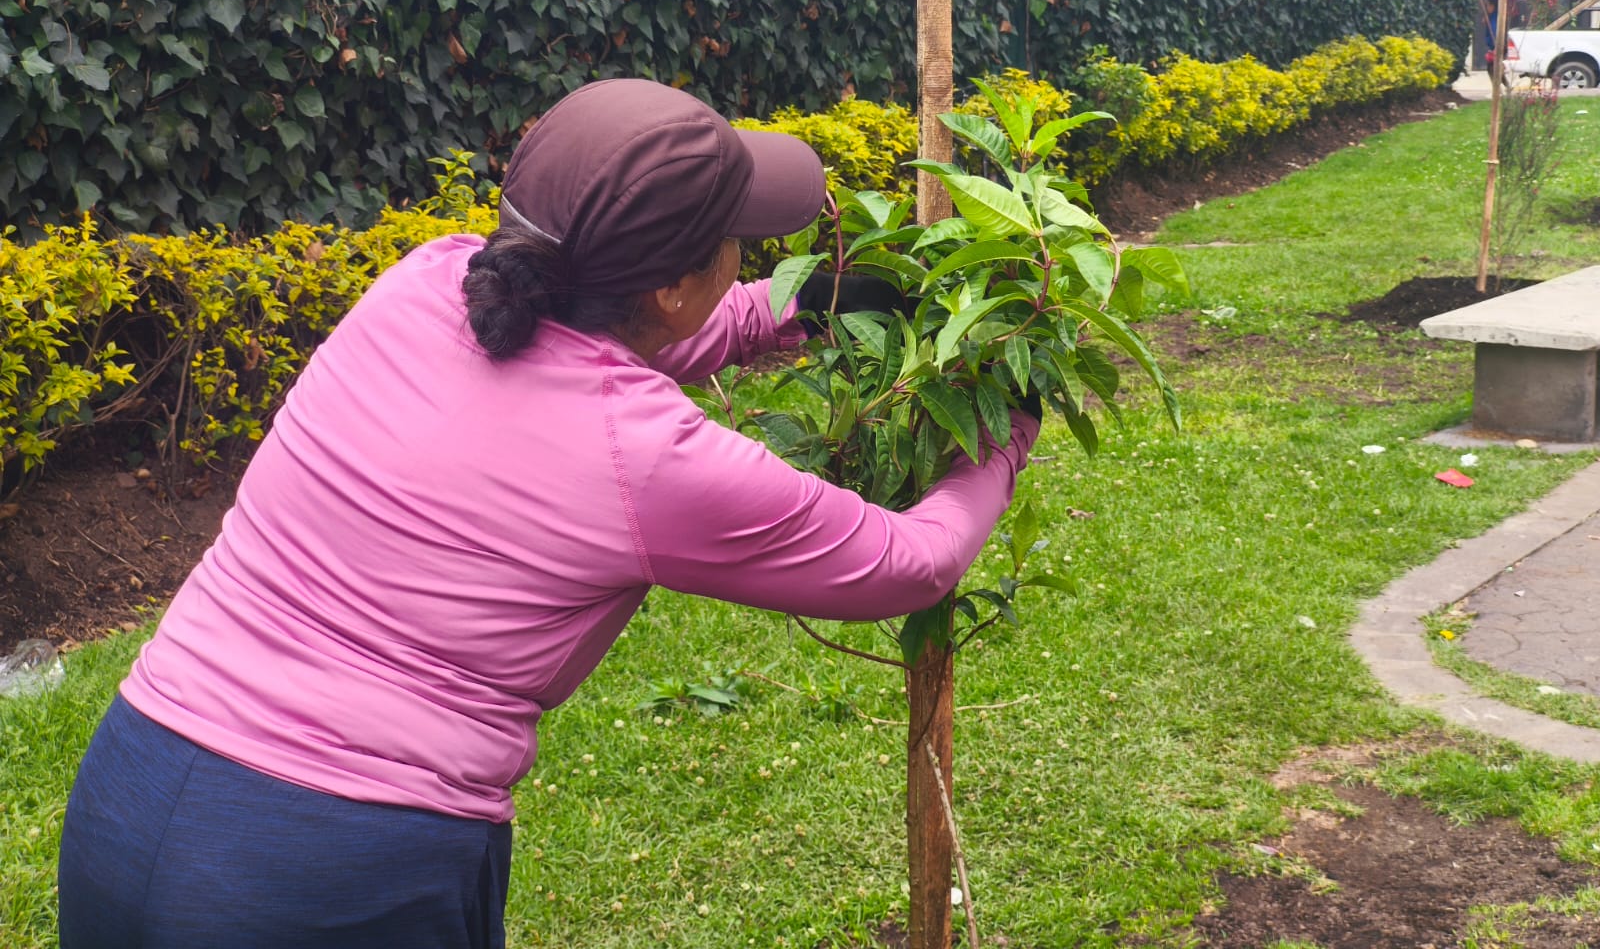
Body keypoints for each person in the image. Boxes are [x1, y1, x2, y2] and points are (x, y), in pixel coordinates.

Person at [56, 78, 1039, 949]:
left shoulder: (427, 281)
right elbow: (909, 562)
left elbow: (612, 342)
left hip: (133, 787)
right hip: (332, 867)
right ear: (669, 286)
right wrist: (1003, 428)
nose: (749, 254)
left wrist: (805, 304)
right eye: (738, 243)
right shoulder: (651, 459)